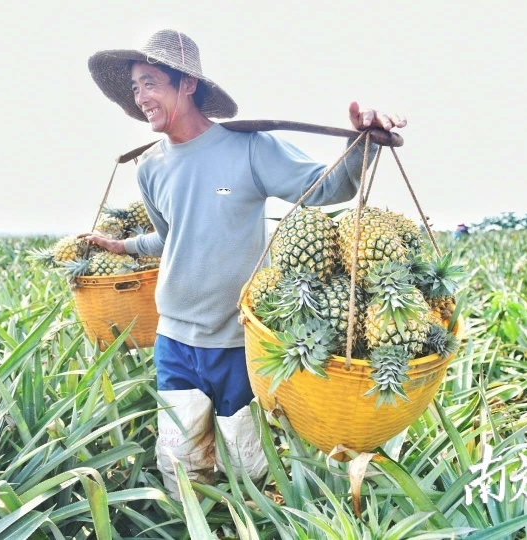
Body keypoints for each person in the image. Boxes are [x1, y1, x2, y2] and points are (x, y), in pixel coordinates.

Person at [83, 29, 406, 499]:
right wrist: (124, 247)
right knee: (181, 458)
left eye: (150, 82)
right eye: (135, 87)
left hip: (237, 337)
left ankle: (254, 521)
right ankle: (191, 522)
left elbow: (329, 189)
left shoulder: (250, 149)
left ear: (187, 84)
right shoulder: (150, 168)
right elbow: (172, 237)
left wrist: (365, 143)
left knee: (248, 456)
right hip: (174, 337)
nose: (140, 97)